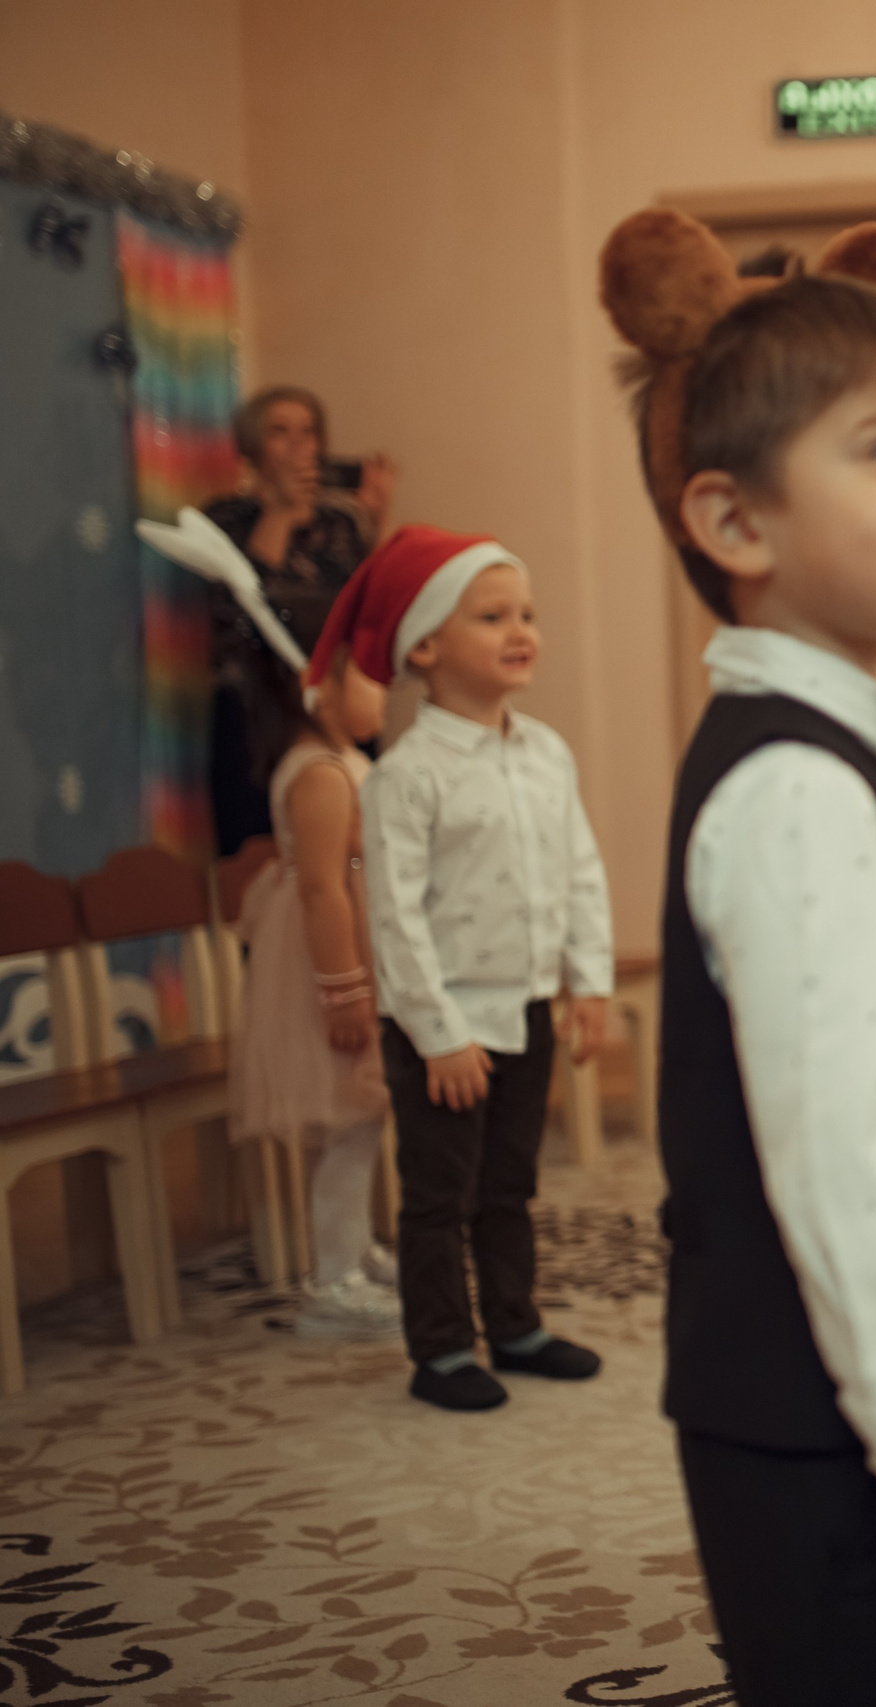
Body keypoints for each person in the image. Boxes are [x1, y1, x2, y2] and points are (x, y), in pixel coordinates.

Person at [598, 210, 876, 1705]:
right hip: (823, 1429)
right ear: (735, 524)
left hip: (826, 1408)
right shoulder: (796, 782)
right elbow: (839, 1140)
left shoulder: (845, 735)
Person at [334, 525, 613, 1412]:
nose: (521, 629)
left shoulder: (546, 752)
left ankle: (516, 1324)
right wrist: (437, 1035)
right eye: (492, 616)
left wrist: (589, 978)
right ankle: (443, 1347)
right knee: (439, 1192)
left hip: (525, 1005)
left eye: (526, 613)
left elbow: (579, 868)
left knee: (510, 1180)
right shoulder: (405, 775)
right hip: (443, 1019)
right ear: (424, 645)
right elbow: (394, 915)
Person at [220, 601, 400, 1336]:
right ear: (316, 686)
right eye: (370, 674)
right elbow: (324, 890)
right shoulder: (320, 773)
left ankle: (354, 1248)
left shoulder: (342, 761)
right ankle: (333, 1282)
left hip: (351, 948)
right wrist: (345, 990)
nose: (384, 688)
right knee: (351, 1119)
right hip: (328, 963)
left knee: (359, 1116)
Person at [202, 385, 396, 853]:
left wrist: (378, 521)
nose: (297, 445)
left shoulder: (341, 523)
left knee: (352, 845)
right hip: (255, 710)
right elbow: (242, 610)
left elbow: (379, 607)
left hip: (337, 705)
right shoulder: (224, 517)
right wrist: (282, 514)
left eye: (308, 432)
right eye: (280, 432)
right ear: (252, 446)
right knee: (258, 850)